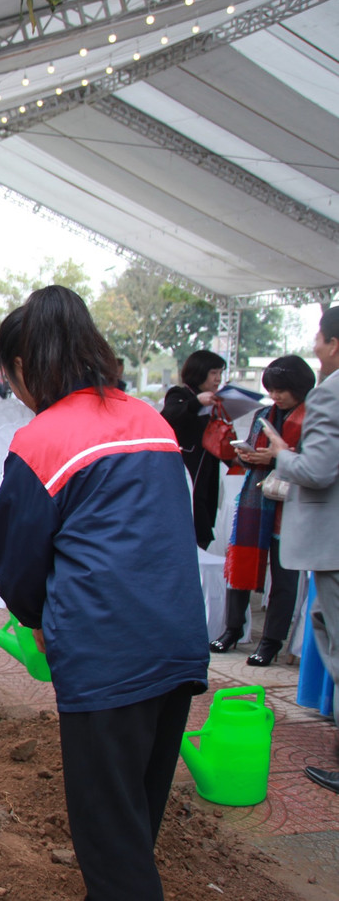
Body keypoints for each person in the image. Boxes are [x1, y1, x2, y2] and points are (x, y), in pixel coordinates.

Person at [0, 286, 208, 901]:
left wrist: (33, 619)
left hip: (108, 657)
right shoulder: (150, 421)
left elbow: (19, 562)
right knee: (134, 818)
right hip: (177, 645)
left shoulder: (44, 438)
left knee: (110, 846)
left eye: (12, 375)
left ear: (26, 366)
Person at [239, 308, 339, 795]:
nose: (315, 346)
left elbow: (318, 472)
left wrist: (280, 451)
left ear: (334, 343)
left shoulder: (330, 395)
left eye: (319, 338)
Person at [211, 355, 315, 665]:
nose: (275, 396)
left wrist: (273, 458)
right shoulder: (263, 415)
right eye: (271, 389)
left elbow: (312, 462)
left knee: (284, 578)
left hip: (291, 504)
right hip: (255, 501)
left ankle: (271, 640)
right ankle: (232, 629)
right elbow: (249, 455)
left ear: (300, 387)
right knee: (241, 564)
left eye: (282, 389)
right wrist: (246, 456)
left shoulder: (314, 417)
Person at [161, 349, 228, 549]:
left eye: (220, 373)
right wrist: (197, 402)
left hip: (206, 475)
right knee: (190, 530)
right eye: (213, 373)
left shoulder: (215, 402)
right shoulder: (180, 394)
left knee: (203, 530)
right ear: (199, 372)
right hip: (186, 473)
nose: (218, 379)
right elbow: (169, 416)